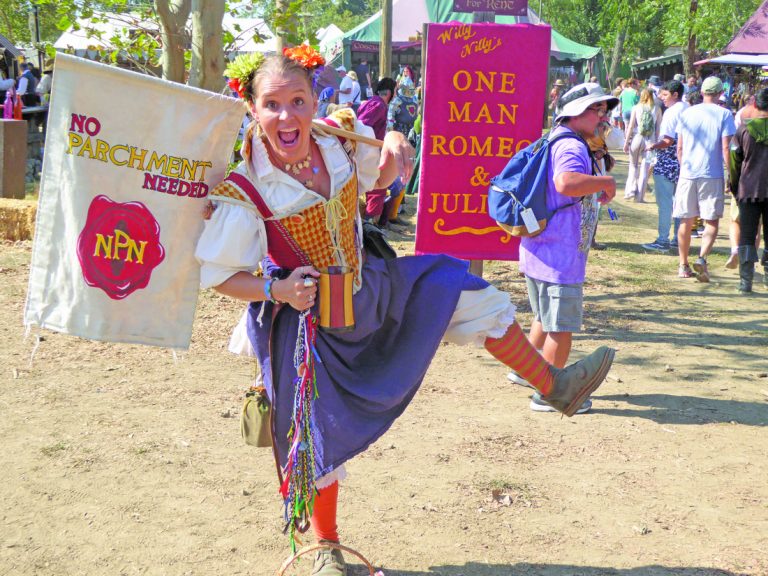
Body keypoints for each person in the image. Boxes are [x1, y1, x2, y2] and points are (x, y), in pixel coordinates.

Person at [200, 49, 616, 575]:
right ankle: (325, 548)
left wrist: (399, 151)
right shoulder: (245, 186)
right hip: (309, 323)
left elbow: (381, 178)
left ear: (314, 100)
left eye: (298, 101)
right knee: (318, 433)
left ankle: (555, 384)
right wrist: (277, 289)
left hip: (371, 287)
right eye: (273, 104)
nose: (288, 117)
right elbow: (219, 278)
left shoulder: (339, 141)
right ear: (254, 109)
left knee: (466, 293)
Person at [509, 83, 618, 414]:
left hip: (539, 248)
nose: (601, 116)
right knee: (561, 326)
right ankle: (549, 393)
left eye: (603, 110)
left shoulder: (553, 137)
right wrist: (605, 182)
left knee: (543, 317)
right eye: (595, 109)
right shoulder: (571, 145)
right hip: (561, 254)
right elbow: (565, 182)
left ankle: (524, 369)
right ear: (575, 112)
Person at [674, 76, 737, 282]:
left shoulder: (687, 113)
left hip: (688, 172)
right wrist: (731, 173)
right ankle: (701, 258)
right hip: (712, 172)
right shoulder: (725, 114)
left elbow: (680, 147)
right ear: (720, 94)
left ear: (702, 92)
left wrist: (685, 166)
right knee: (711, 220)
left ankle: (683, 265)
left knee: (686, 220)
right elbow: (725, 147)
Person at [729, 87, 768, 293]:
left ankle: (745, 282)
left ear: (755, 105)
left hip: (748, 188)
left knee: (747, 235)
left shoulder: (743, 129)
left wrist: (734, 186)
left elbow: (735, 161)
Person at [642, 80, 688, 253]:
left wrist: (652, 146)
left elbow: (667, 141)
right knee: (679, 204)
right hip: (682, 164)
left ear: (675, 94)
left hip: (667, 163)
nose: (661, 97)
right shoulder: (687, 108)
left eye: (665, 94)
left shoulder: (671, 112)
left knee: (665, 204)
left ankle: (663, 240)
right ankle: (677, 238)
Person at [357, 77, 397, 224]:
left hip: (371, 149)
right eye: (395, 91)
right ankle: (370, 225)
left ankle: (379, 222)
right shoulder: (377, 105)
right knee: (377, 188)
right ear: (389, 93)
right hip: (368, 151)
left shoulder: (376, 103)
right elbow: (362, 126)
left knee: (384, 186)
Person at [623, 88, 662, 203]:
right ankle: (639, 197)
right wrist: (657, 143)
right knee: (644, 170)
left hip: (637, 138)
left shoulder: (636, 107)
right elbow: (658, 128)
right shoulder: (657, 109)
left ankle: (630, 190)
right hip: (650, 141)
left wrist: (626, 142)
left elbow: (630, 126)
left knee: (633, 165)